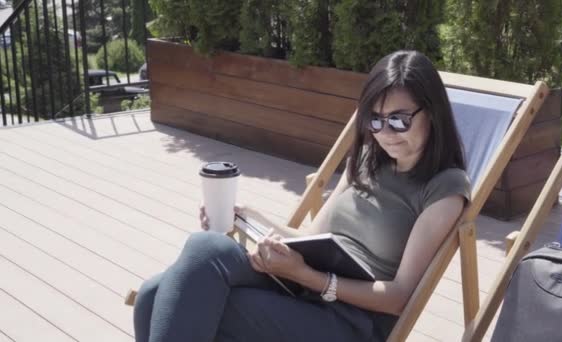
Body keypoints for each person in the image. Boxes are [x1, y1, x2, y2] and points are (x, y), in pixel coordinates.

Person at [133, 50, 471, 342]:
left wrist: (308, 277)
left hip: (350, 321)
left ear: (432, 113)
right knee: (175, 273)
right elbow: (309, 241)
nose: (385, 133)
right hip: (303, 289)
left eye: (399, 120)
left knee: (187, 300)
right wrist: (248, 217)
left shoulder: (445, 187)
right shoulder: (367, 159)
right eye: (375, 119)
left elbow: (399, 297)